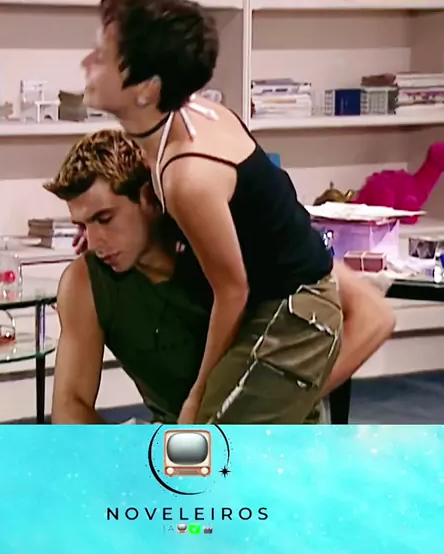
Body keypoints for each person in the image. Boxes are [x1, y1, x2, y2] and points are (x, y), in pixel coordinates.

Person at [80, 0, 396, 424]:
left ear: (147, 89)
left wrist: (197, 397)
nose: (87, 63)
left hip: (294, 315)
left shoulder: (188, 175)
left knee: (206, 437)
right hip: (278, 300)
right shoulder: (186, 117)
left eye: (102, 56)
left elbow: (232, 291)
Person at [47, 129, 395, 425]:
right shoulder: (85, 283)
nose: (94, 242)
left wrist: (278, 402)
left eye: (105, 219)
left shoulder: (229, 238)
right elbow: (69, 407)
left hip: (276, 444)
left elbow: (373, 315)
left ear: (149, 199)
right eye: (83, 225)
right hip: (187, 446)